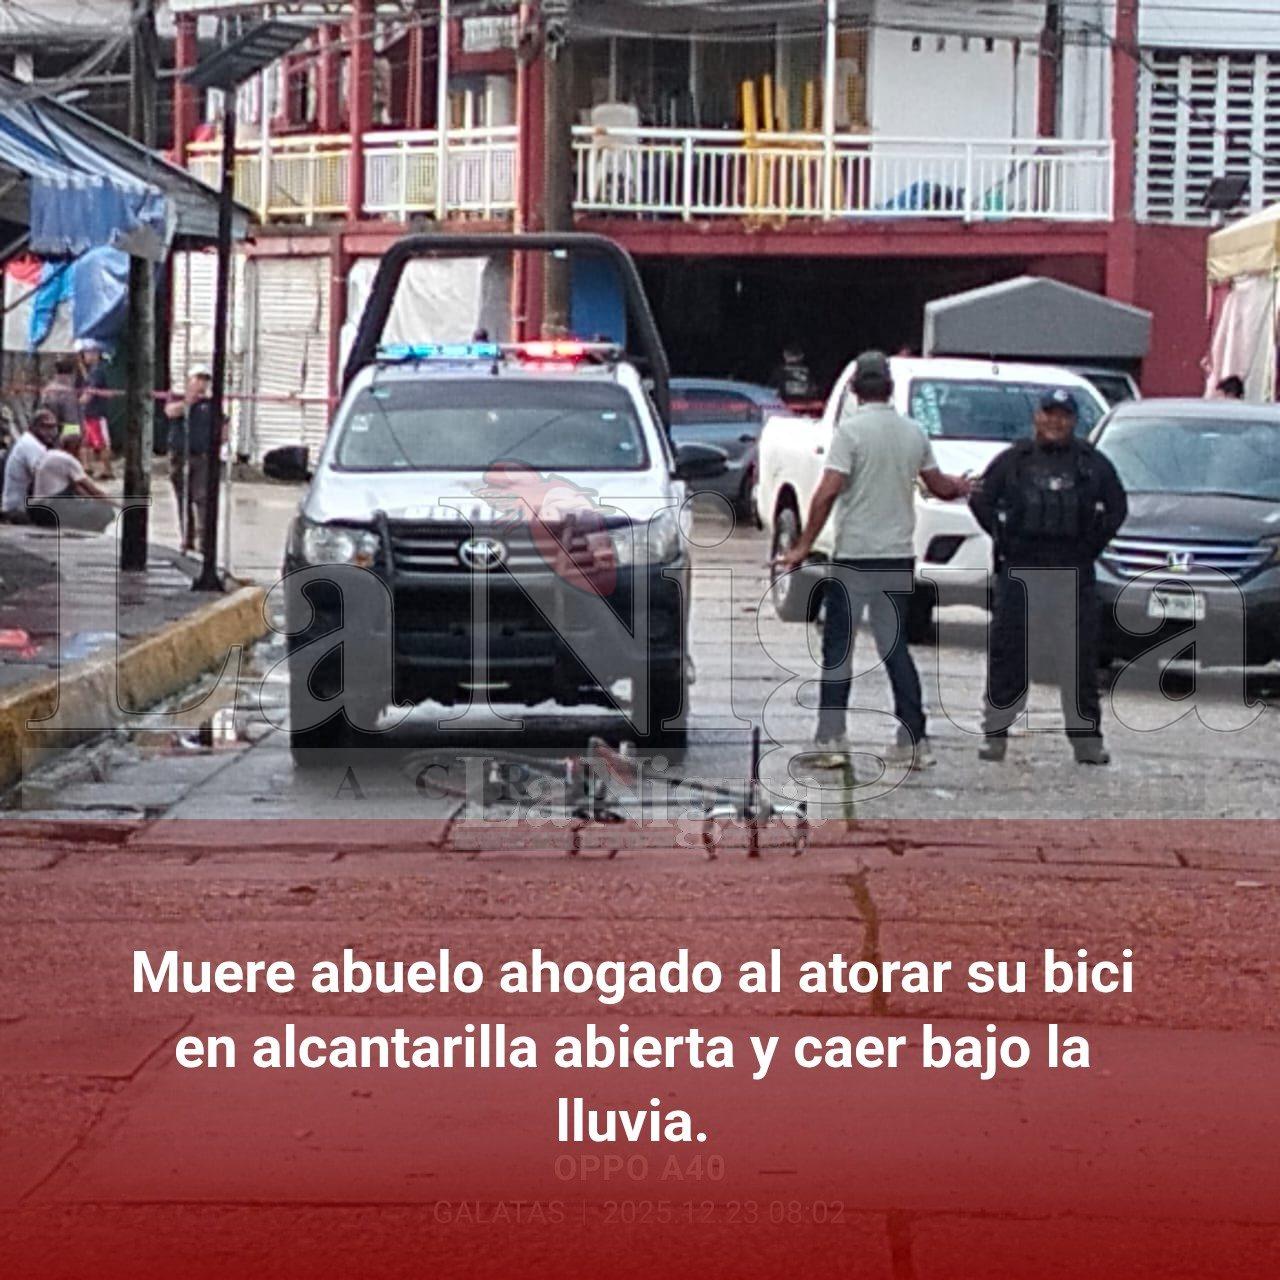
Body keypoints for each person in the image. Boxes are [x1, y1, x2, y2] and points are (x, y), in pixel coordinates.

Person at [773, 350, 971, 769]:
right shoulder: (913, 432)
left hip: (855, 559)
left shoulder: (850, 433)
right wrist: (961, 487)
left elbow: (827, 491)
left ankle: (831, 741)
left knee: (839, 649)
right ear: (891, 389)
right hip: (897, 558)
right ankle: (913, 740)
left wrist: (802, 546)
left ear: (853, 390)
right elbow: (938, 485)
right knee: (894, 647)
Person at [969, 388, 1128, 766]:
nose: (1055, 421)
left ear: (1074, 421)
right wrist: (1004, 538)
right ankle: (996, 734)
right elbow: (981, 500)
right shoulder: (1014, 461)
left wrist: (1090, 546)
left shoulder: (1091, 464)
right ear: (1036, 417)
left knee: (1079, 659)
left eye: (1063, 415)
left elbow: (1118, 508)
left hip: (1072, 573)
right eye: (1048, 413)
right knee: (1009, 656)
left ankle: (1087, 740)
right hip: (1021, 572)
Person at [164, 365, 215, 554]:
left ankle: (204, 542)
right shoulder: (178, 396)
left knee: (202, 498)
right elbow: (170, 412)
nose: (201, 383)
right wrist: (189, 401)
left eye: (205, 380)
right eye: (198, 379)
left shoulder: (211, 402)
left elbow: (222, 425)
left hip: (202, 456)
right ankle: (187, 538)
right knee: (182, 498)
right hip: (180, 455)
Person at [29, 432, 114, 530]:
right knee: (104, 510)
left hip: (37, 510)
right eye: (83, 448)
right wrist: (118, 505)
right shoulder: (69, 460)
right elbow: (93, 491)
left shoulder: (51, 454)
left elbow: (79, 490)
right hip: (50, 509)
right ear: (77, 447)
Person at [1, 409, 60, 522]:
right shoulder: (31, 445)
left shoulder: (32, 441)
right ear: (34, 427)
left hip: (21, 506)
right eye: (45, 427)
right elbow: (45, 479)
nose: (51, 432)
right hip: (19, 510)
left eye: (53, 427)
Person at [78, 340, 114, 480]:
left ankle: (107, 469)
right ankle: (87, 467)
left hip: (97, 414)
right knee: (86, 441)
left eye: (88, 352)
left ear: (96, 353)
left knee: (102, 443)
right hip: (88, 414)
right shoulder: (89, 371)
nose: (86, 355)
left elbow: (90, 391)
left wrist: (80, 402)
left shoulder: (98, 371)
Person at [40, 355, 81, 438]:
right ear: (71, 375)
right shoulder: (67, 393)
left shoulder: (47, 389)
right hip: (61, 438)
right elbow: (71, 422)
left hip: (45, 435)